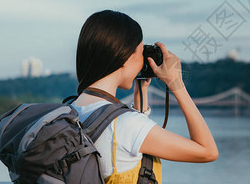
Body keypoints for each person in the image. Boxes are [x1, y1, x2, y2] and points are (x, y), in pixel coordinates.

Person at [70, 10, 219, 183]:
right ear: (125, 57)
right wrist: (176, 84)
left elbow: (123, 142)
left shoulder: (70, 111)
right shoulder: (128, 125)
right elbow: (208, 151)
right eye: (141, 53)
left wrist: (140, 90)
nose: (143, 61)